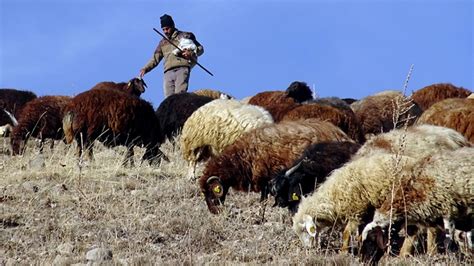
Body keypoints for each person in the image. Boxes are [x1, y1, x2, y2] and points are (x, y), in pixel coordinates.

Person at [139, 14, 204, 98]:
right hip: (168, 72)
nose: (165, 31)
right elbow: (155, 58)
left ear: (172, 26)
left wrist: (190, 54)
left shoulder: (185, 36)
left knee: (180, 96)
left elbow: (200, 48)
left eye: (167, 28)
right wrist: (145, 68)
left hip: (182, 68)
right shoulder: (163, 42)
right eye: (163, 29)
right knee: (168, 100)